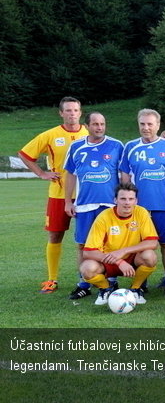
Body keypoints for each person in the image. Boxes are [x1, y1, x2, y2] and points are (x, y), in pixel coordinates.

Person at [18, 96, 88, 293]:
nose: (72, 114)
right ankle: (52, 279)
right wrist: (41, 173)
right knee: (55, 235)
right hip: (58, 195)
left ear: (80, 113)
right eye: (68, 110)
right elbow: (25, 154)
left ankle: (85, 279)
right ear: (61, 113)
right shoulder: (50, 135)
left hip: (85, 195)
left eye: (75, 110)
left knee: (86, 239)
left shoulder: (89, 132)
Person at [120, 109, 165, 296]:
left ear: (158, 125)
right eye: (142, 124)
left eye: (150, 124)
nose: (146, 128)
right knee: (141, 245)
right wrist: (127, 202)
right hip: (139, 209)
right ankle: (141, 282)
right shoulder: (130, 147)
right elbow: (124, 177)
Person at [63, 112, 124, 300]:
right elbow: (71, 175)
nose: (99, 127)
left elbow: (123, 174)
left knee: (108, 244)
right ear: (87, 126)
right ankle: (84, 283)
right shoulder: (76, 147)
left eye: (102, 124)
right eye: (95, 124)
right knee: (82, 245)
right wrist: (68, 201)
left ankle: (111, 279)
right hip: (84, 205)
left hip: (109, 205)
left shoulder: (116, 146)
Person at [79, 182, 158, 305]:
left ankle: (136, 289)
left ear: (136, 200)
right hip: (109, 259)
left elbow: (153, 242)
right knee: (87, 268)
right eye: (123, 199)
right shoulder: (104, 217)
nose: (127, 203)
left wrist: (124, 251)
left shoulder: (141, 212)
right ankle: (106, 289)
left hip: (133, 260)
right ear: (115, 200)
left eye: (131, 199)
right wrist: (119, 261)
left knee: (150, 256)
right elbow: (88, 251)